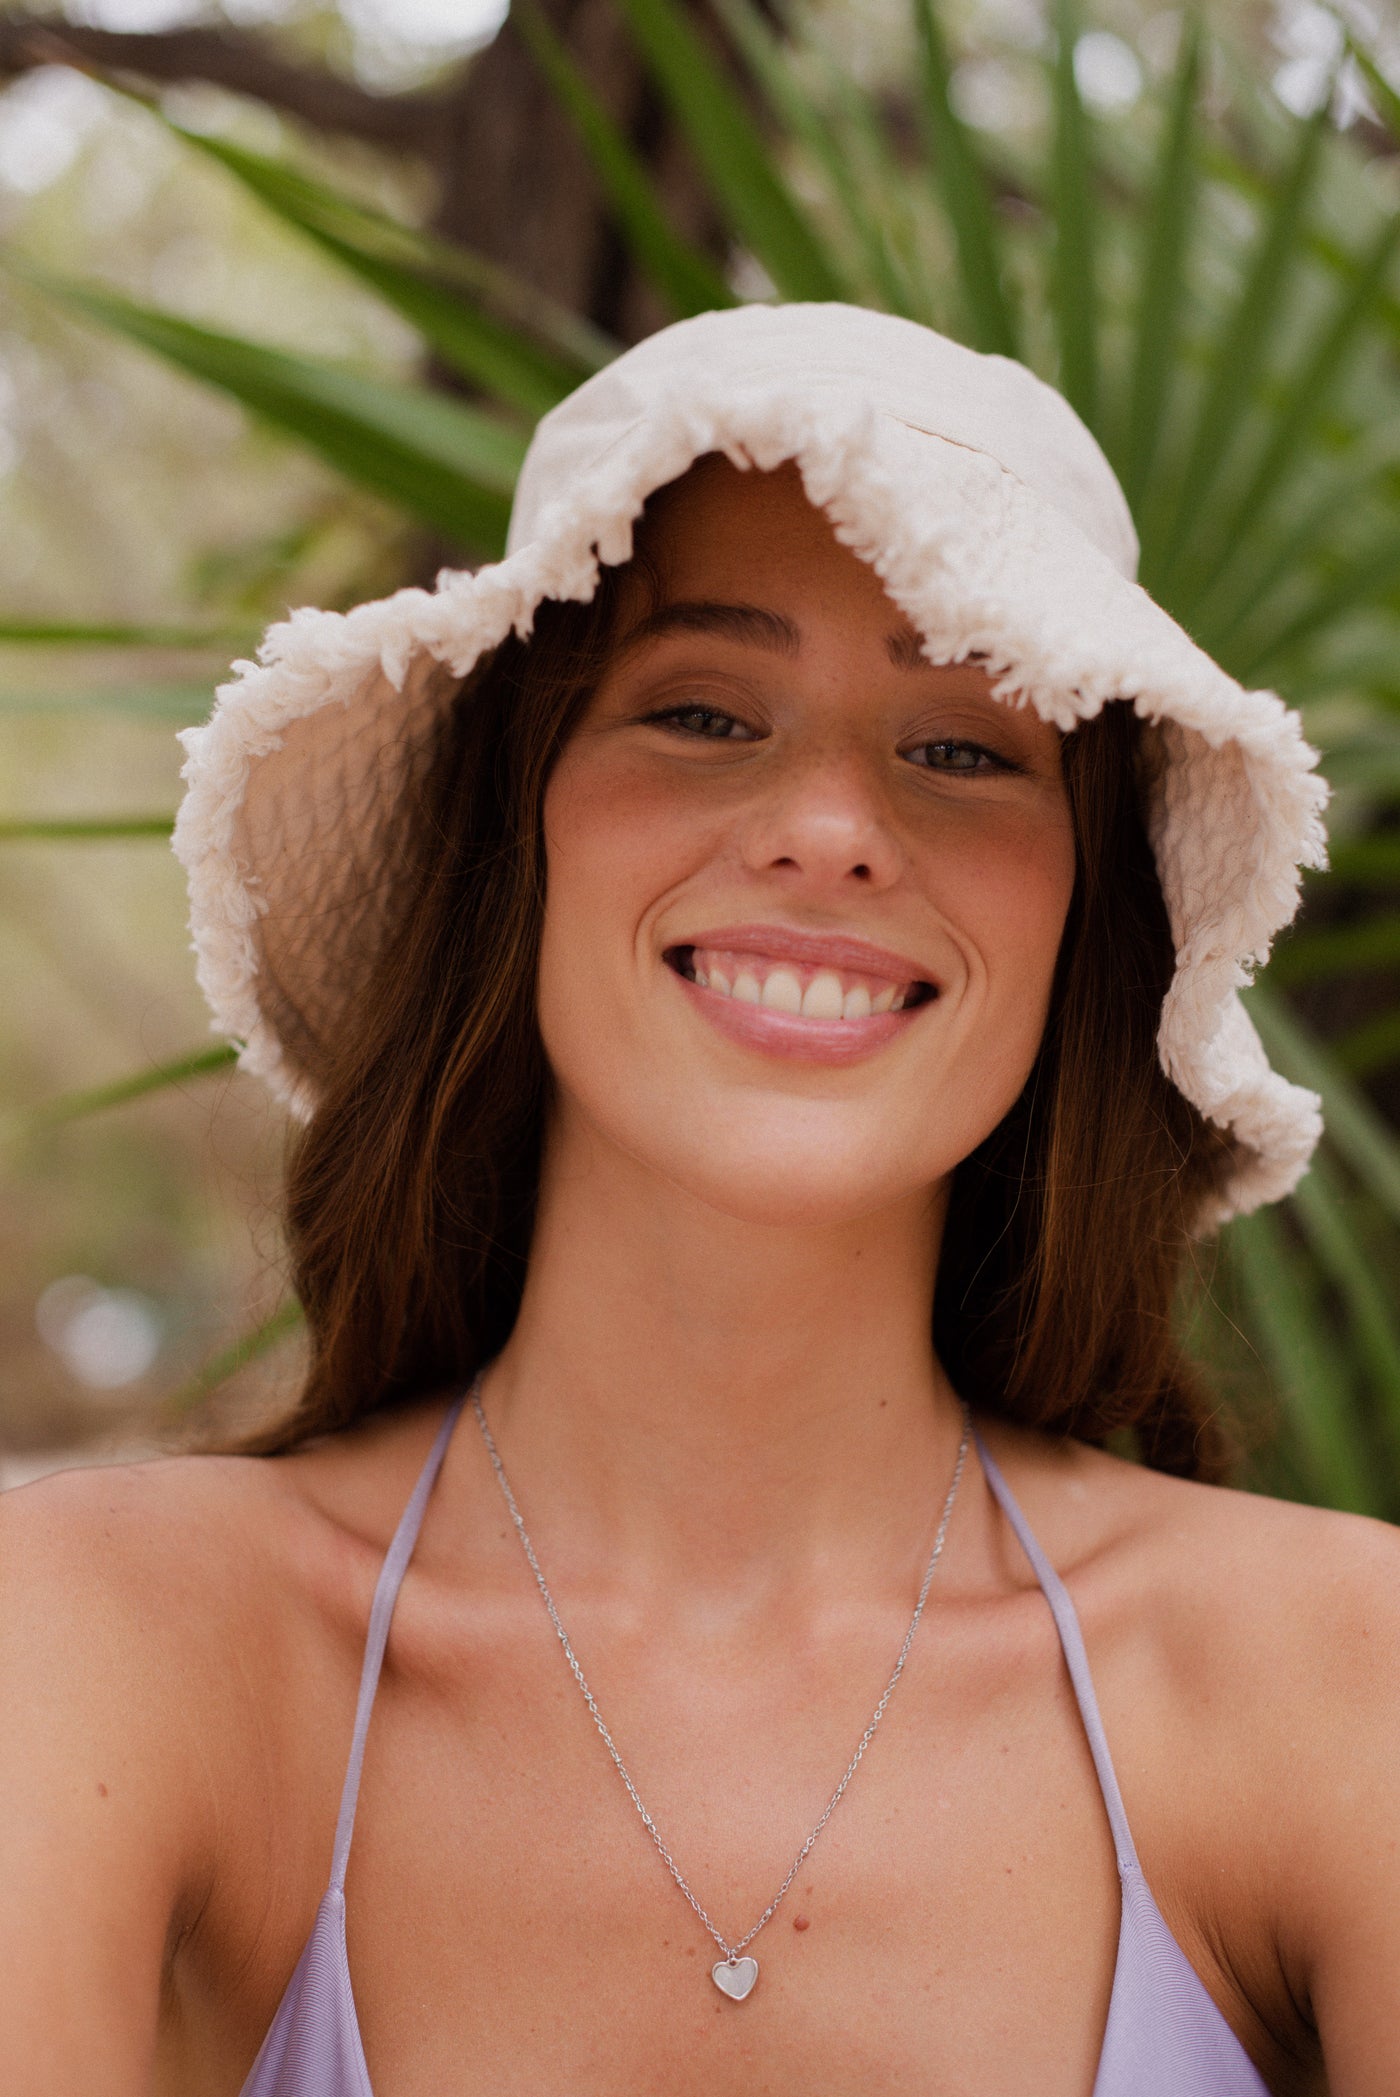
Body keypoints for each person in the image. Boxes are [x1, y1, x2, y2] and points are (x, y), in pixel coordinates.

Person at [2, 302, 1396, 2097]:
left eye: (964, 746)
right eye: (704, 710)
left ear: (1079, 922)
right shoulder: (108, 1645)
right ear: (524, 833)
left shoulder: (1334, 1680)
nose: (828, 825)